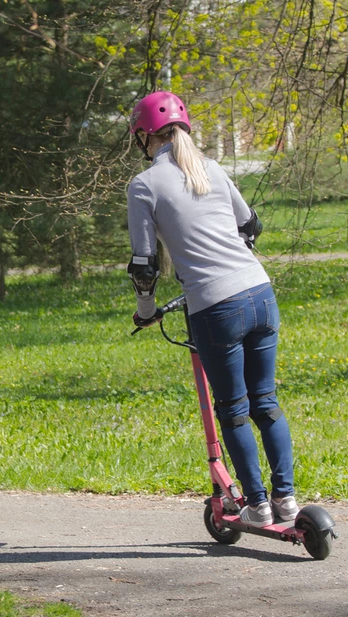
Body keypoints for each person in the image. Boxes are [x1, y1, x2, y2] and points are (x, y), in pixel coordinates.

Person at [127, 91, 298, 527]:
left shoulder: (144, 185)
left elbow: (144, 263)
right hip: (259, 292)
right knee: (266, 401)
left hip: (216, 307)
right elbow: (250, 226)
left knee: (233, 409)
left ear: (145, 136)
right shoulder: (215, 169)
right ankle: (287, 499)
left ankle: (257, 505)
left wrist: (146, 309)